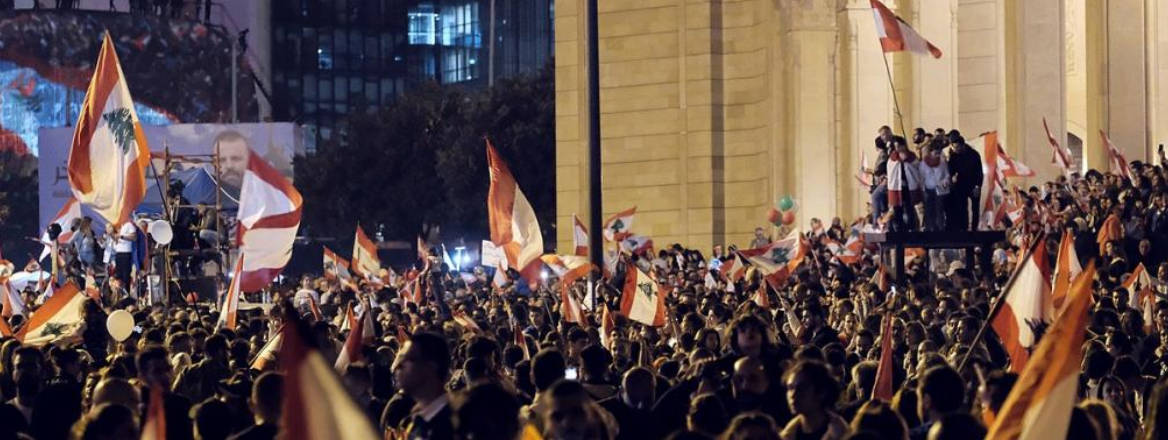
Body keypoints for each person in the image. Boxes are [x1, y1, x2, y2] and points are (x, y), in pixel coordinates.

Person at [392, 332, 453, 440]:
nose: (398, 366)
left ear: (431, 366)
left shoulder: (457, 424)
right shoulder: (409, 422)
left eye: (409, 359)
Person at [945, 132, 983, 231]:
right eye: (954, 147)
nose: (956, 149)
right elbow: (951, 169)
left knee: (975, 208)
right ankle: (964, 228)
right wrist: (952, 177)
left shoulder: (974, 155)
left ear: (963, 145)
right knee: (962, 207)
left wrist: (978, 186)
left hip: (973, 184)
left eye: (957, 147)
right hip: (960, 184)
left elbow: (979, 172)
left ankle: (975, 228)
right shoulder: (953, 156)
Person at [214, 130, 252, 205]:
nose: (229, 166)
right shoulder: (207, 201)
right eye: (222, 160)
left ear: (249, 161)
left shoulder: (264, 200)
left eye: (236, 159)